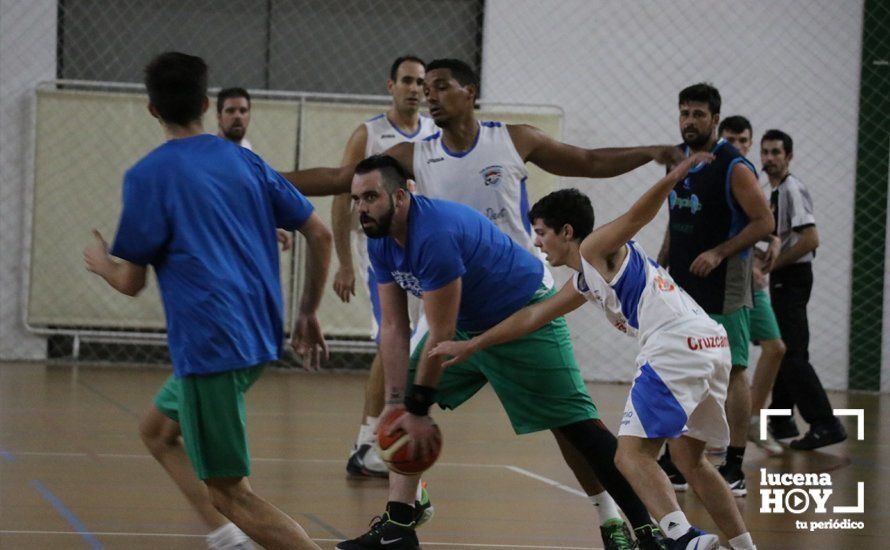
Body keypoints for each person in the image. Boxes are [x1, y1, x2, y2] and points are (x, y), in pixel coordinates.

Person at [282, 58, 683, 544]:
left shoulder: (512, 139)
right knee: (410, 400)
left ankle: (633, 523)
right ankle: (398, 525)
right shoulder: (414, 156)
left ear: (470, 91)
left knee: (572, 426)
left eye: (441, 86)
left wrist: (652, 153)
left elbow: (589, 161)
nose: (430, 95)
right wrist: (260, 181)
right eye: (424, 87)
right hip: (457, 303)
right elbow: (339, 177)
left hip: (516, 303)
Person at [431, 153, 757, 550]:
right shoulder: (586, 278)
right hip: (710, 342)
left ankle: (682, 537)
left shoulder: (595, 248)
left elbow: (639, 214)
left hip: (675, 343)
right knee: (691, 461)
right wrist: (474, 344)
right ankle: (745, 547)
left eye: (541, 232)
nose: (536, 241)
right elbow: (533, 316)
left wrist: (676, 174)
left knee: (630, 456)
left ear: (566, 231)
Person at [337, 155, 663, 550]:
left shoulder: (433, 234)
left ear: (402, 197)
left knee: (576, 427)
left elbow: (438, 328)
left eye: (370, 197)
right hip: (467, 326)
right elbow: (393, 326)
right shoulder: (382, 241)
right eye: (357, 199)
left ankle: (646, 529)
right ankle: (398, 527)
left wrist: (418, 409)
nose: (362, 208)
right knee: (403, 408)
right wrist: (395, 402)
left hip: (522, 317)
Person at [83, 52, 332, 550]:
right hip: (257, 336)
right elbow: (320, 233)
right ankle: (226, 537)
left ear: (152, 109)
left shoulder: (148, 175)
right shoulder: (245, 160)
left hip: (210, 345)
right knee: (156, 431)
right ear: (204, 104)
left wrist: (100, 261)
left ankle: (236, 523)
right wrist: (307, 312)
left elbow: (130, 281)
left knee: (231, 493)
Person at [655, 84, 774, 498]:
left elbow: (763, 222)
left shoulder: (734, 166)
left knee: (734, 369)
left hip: (725, 281)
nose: (689, 121)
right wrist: (660, 263)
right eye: (684, 113)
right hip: (682, 281)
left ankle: (735, 464)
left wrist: (719, 252)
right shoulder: (677, 159)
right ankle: (674, 459)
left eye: (698, 114)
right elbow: (675, 215)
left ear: (715, 119)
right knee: (681, 363)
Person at [332, 56, 437, 479]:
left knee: (408, 341)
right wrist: (343, 262)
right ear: (390, 85)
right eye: (407, 81)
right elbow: (341, 198)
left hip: (417, 245)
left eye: (421, 83)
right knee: (392, 337)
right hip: (375, 248)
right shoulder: (370, 133)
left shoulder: (433, 134)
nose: (415, 89)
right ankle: (370, 440)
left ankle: (370, 440)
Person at [761, 129, 846, 450]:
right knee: (783, 348)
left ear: (789, 157)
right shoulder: (775, 192)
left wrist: (773, 264)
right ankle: (781, 420)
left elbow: (810, 239)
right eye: (765, 152)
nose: (769, 159)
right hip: (787, 276)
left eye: (775, 153)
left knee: (793, 354)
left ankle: (825, 423)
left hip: (792, 277)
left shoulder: (790, 190)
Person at [718, 116, 785, 455]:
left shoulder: (750, 179)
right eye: (732, 139)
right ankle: (717, 431)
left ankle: (753, 419)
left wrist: (771, 242)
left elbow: (760, 225)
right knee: (724, 361)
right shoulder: (716, 176)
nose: (739, 146)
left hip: (750, 280)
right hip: (725, 282)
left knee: (775, 347)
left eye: (744, 140)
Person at [217, 86, 293, 252]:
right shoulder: (212, 154)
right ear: (219, 117)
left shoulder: (246, 149)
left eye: (243, 111)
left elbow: (243, 202)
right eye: (230, 111)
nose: (237, 116)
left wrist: (264, 229)